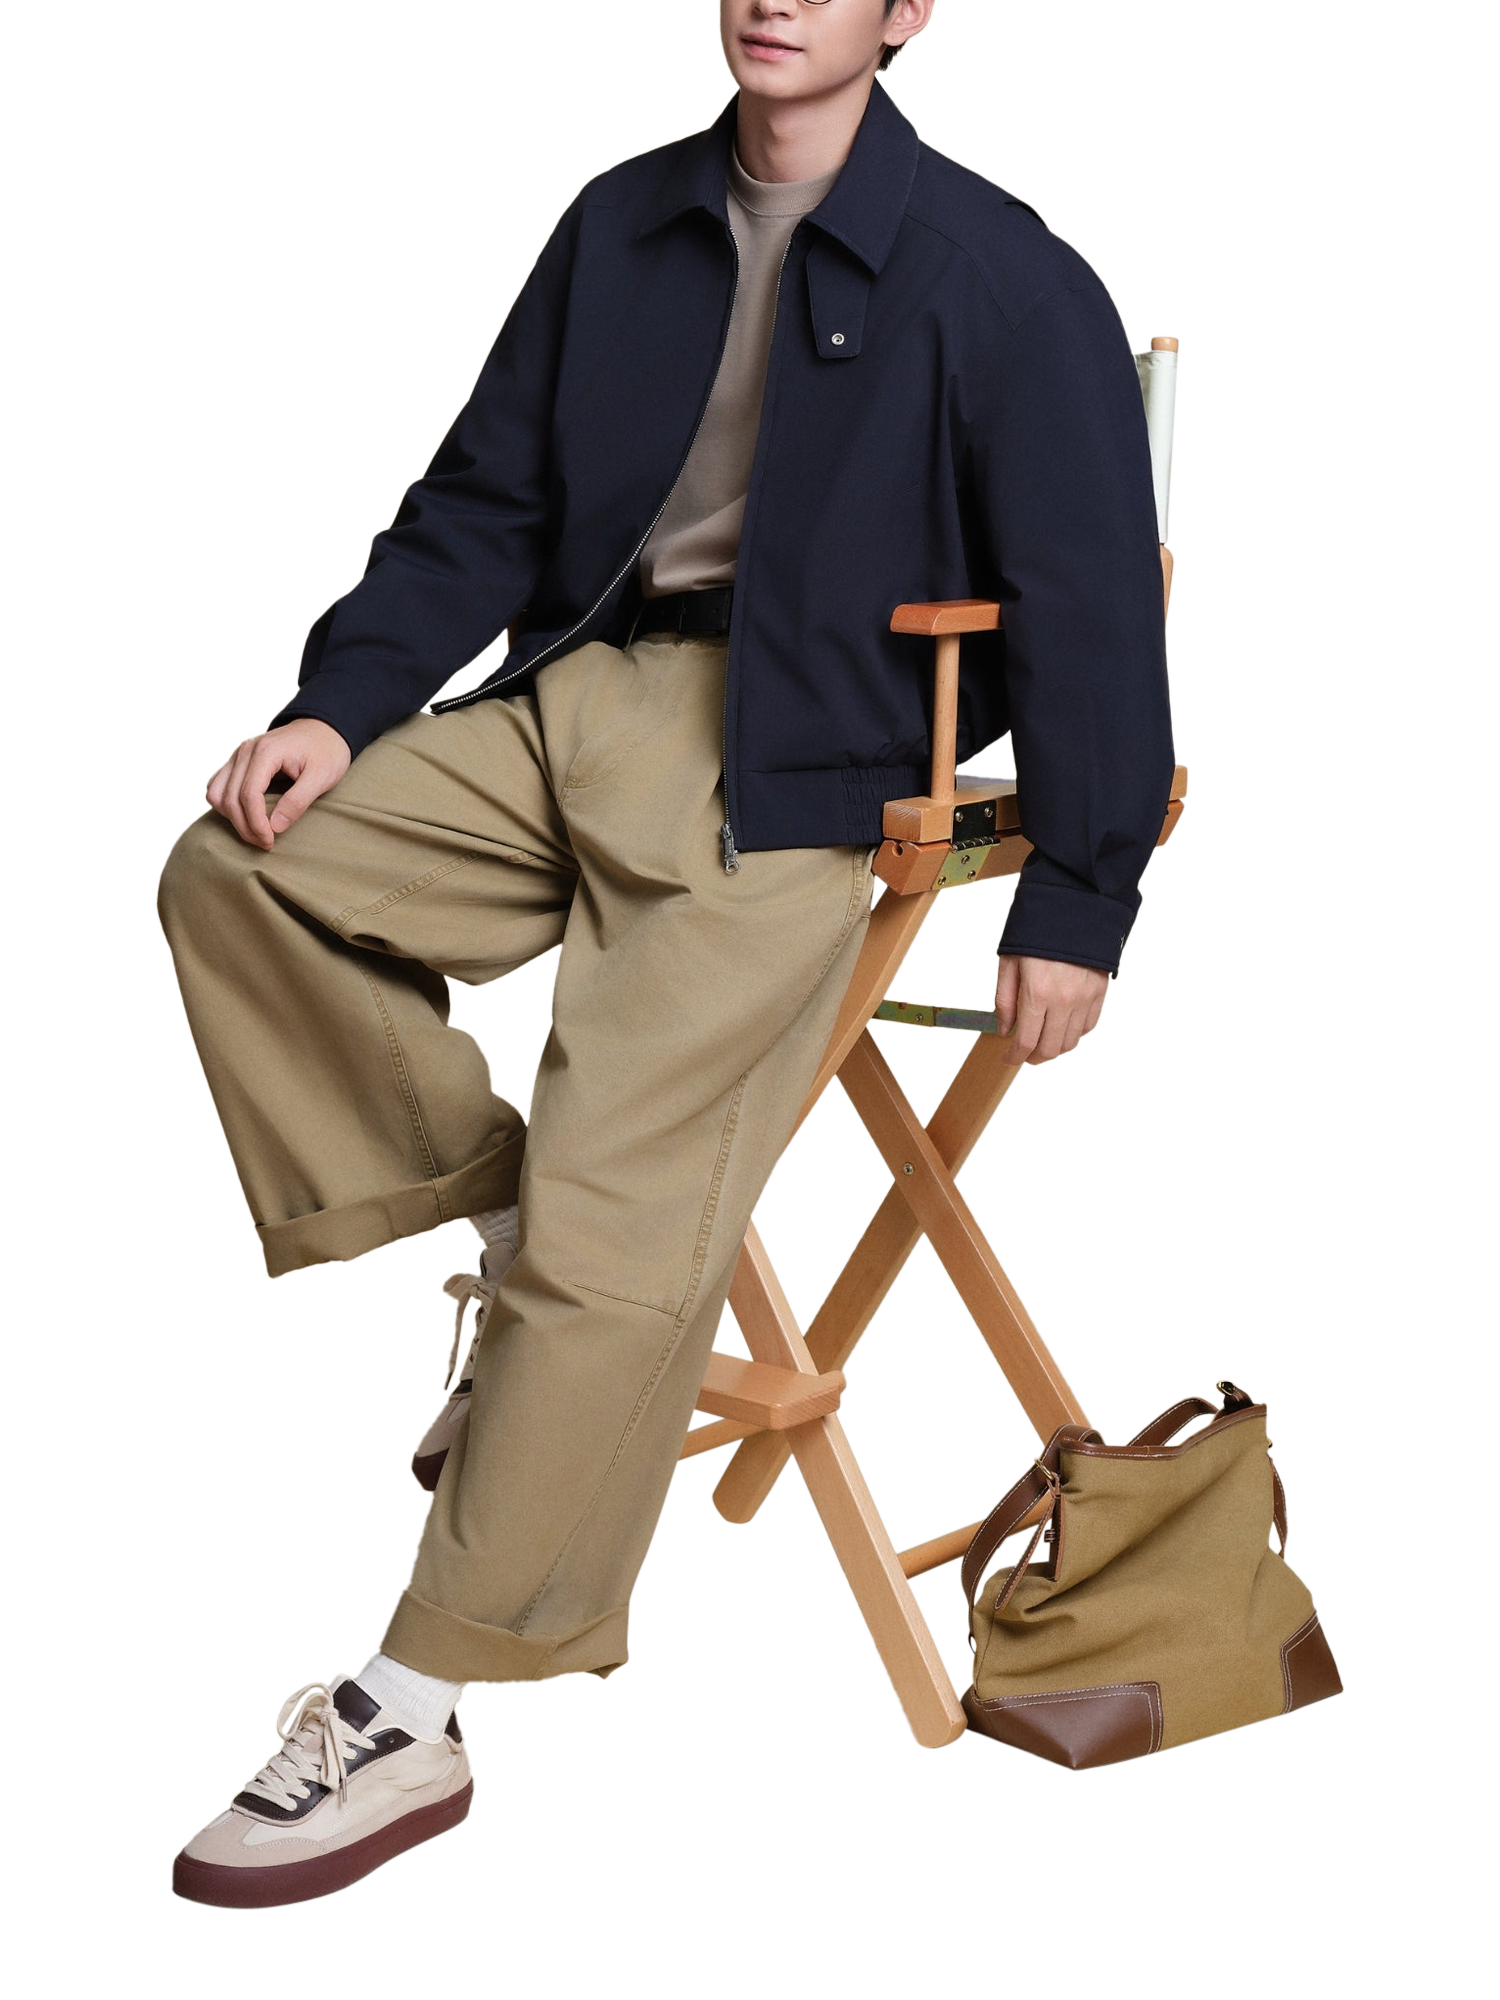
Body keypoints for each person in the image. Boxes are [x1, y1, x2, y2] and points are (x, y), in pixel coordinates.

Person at [157, 0, 1175, 1909]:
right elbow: (481, 506)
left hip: (805, 775)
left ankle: (415, 1706)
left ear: (908, 13)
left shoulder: (1004, 276)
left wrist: (1081, 895)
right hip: (579, 699)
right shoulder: (621, 220)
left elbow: (1094, 601)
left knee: (627, 1206)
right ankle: (513, 1240)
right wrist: (340, 704)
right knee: (238, 874)